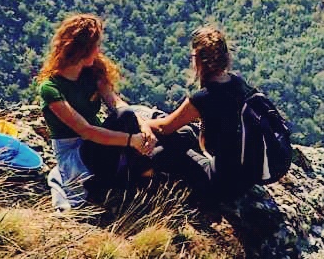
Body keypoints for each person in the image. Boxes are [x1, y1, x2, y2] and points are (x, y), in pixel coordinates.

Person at [34, 13, 155, 211]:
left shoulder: (91, 74)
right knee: (123, 120)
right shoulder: (51, 89)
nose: (99, 51)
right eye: (96, 46)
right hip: (76, 157)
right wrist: (131, 140)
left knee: (127, 117)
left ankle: (133, 178)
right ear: (83, 50)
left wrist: (142, 124)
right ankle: (141, 179)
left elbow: (116, 103)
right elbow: (86, 131)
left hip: (98, 146)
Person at [147, 25, 256, 199]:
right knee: (187, 134)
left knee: (171, 147)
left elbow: (164, 128)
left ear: (198, 60)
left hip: (219, 184)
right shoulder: (238, 83)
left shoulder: (203, 97)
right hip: (246, 178)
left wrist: (141, 121)